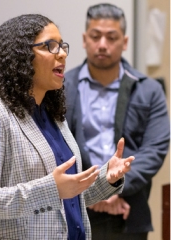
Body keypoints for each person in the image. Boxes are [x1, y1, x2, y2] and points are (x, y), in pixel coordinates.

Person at [0, 14, 134, 240]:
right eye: (49, 46)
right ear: (20, 56)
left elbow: (67, 197)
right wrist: (50, 189)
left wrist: (106, 178)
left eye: (62, 46)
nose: (62, 53)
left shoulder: (52, 115)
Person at [64, 3, 170, 240]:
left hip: (129, 211)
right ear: (84, 39)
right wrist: (92, 191)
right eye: (95, 36)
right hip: (73, 210)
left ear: (125, 42)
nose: (102, 44)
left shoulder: (149, 89)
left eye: (111, 37)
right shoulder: (62, 87)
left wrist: (114, 186)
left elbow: (155, 148)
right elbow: (52, 145)